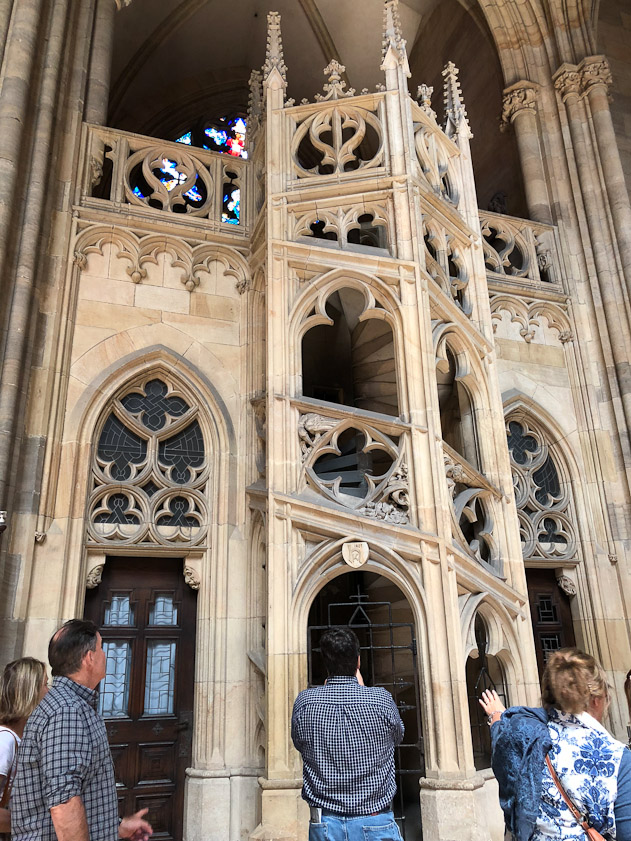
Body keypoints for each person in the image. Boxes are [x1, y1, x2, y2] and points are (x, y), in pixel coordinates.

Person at [11, 619, 153, 841]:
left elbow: (79, 790)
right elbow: (64, 802)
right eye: (101, 648)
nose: (105, 655)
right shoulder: (66, 710)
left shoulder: (71, 705)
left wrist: (115, 827)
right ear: (89, 657)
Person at [480, 648, 631, 841]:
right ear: (596, 700)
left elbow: (502, 741)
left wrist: (497, 717)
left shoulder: (525, 739)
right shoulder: (619, 758)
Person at [291, 627, 404, 841]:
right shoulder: (380, 700)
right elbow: (397, 736)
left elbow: (299, 743)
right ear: (358, 661)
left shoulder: (306, 703)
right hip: (375, 820)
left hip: (326, 823)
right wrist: (363, 693)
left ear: (326, 663)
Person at [0, 658, 48, 837]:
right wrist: (33, 823)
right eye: (45, 684)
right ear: (30, 693)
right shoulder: (5, 741)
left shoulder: (21, 739)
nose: (49, 691)